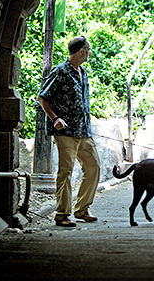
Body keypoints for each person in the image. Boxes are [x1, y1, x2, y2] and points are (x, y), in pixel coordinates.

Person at [37, 36, 101, 227]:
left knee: (93, 166)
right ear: (81, 51)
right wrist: (55, 118)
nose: (89, 53)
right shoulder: (60, 71)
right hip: (65, 133)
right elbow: (43, 97)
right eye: (88, 50)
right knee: (66, 171)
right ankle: (62, 214)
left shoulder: (83, 72)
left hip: (84, 131)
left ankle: (82, 209)